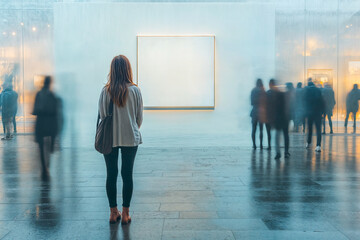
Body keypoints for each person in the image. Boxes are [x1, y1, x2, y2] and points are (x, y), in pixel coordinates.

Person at [98, 55, 143, 225]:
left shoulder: (105, 91)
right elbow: (139, 118)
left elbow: (103, 115)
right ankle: (125, 214)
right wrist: (130, 127)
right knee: (127, 175)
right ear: (128, 69)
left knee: (111, 174)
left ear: (112, 70)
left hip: (109, 139)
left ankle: (112, 213)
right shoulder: (135, 90)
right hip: (130, 137)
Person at [33, 76, 58, 178]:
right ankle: (47, 164)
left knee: (41, 145)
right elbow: (54, 110)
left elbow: (35, 109)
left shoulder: (39, 94)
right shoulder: (51, 95)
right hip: (49, 123)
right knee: (48, 144)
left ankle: (44, 166)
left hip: (41, 122)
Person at [304, 79, 324, 152]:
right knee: (318, 129)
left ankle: (308, 143)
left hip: (309, 113)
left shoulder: (306, 91)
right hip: (318, 113)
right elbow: (322, 101)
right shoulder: (318, 90)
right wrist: (322, 112)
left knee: (310, 129)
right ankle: (318, 145)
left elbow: (304, 102)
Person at [273, 80, 290, 159]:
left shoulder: (276, 98)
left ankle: (278, 152)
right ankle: (286, 152)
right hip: (285, 119)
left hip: (278, 119)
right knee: (286, 135)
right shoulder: (286, 98)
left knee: (277, 136)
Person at [250, 79, 266, 149]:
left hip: (254, 111)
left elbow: (251, 103)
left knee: (254, 129)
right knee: (261, 129)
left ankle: (254, 145)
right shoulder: (262, 91)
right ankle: (261, 145)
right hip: (261, 112)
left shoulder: (253, 91)